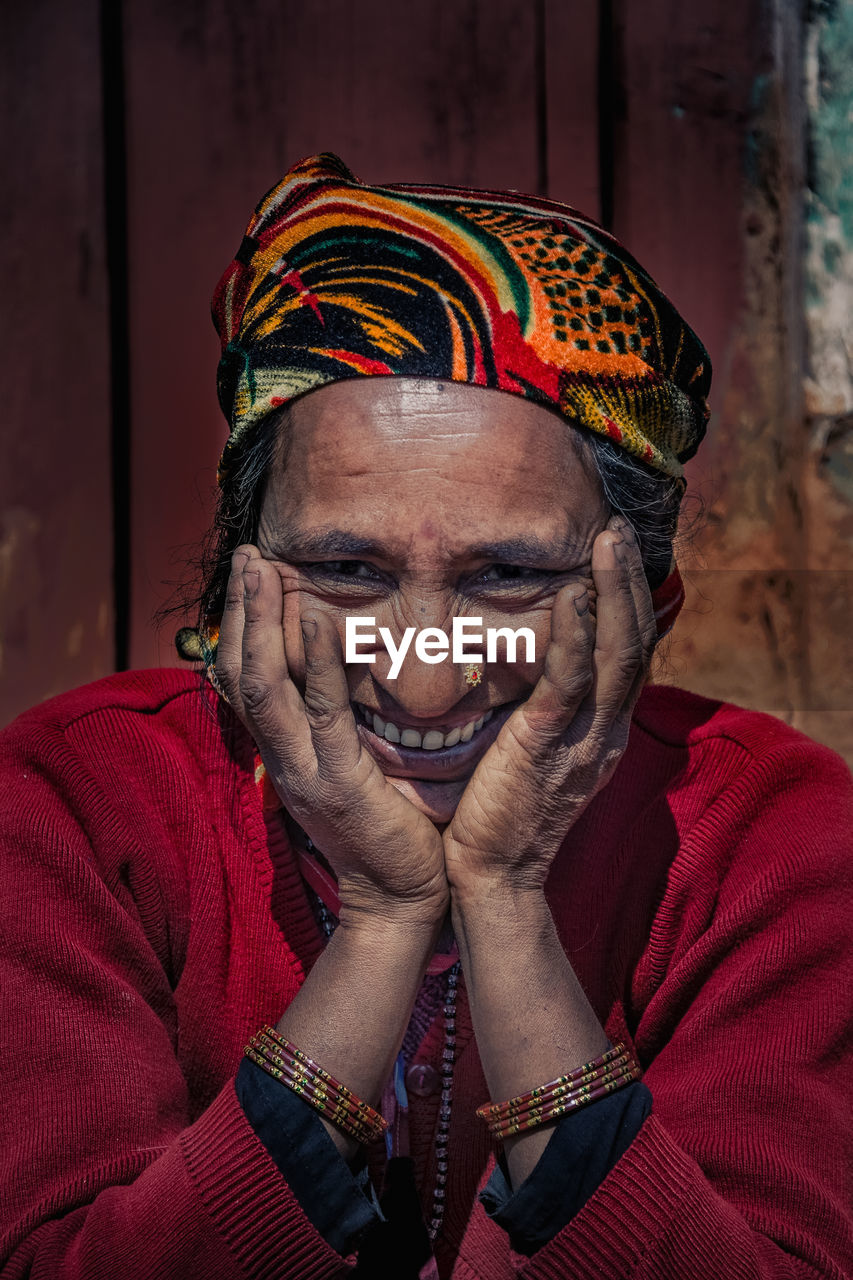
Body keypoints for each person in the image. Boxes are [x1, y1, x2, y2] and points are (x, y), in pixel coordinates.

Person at [0, 152, 850, 1280]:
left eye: (508, 576)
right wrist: (385, 915)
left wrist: (501, 900)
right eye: (346, 566)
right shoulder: (70, 809)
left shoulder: (773, 839)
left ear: (644, 608)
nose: (425, 683)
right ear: (240, 584)